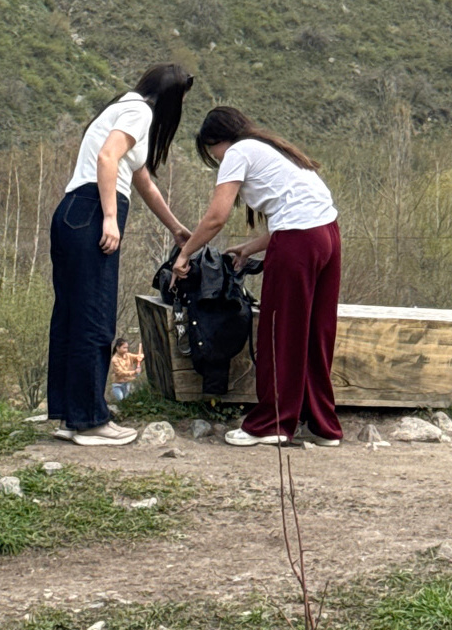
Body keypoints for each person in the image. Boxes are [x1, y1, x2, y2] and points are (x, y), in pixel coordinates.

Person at [173, 105, 341, 448]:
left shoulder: (237, 152)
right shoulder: (273, 149)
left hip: (298, 241)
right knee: (315, 332)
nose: (217, 159)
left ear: (218, 141)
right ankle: (322, 424)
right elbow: (299, 213)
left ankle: (272, 423)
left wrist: (185, 253)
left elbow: (216, 217)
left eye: (213, 153)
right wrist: (251, 247)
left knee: (281, 332)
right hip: (327, 236)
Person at [48, 62, 194, 444]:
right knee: (95, 317)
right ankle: (90, 422)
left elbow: (144, 182)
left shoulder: (121, 108)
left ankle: (70, 416)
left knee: (71, 316)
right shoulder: (140, 112)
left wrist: (175, 227)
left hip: (71, 213)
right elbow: (107, 158)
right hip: (93, 211)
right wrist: (110, 217)